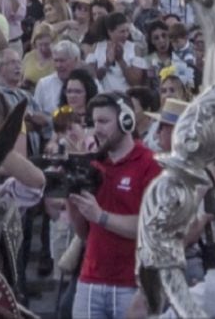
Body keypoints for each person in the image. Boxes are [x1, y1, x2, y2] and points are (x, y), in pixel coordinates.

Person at [67, 93, 161, 319]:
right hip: (91, 278)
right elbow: (84, 233)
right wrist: (72, 200)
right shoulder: (93, 164)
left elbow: (150, 227)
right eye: (93, 122)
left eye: (103, 121)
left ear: (126, 121)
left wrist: (101, 216)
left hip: (133, 283)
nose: (96, 129)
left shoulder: (150, 163)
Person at [33, 39, 80, 118]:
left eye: (62, 61)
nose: (58, 65)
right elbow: (35, 113)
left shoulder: (87, 82)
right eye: (56, 61)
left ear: (75, 60)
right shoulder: (44, 84)